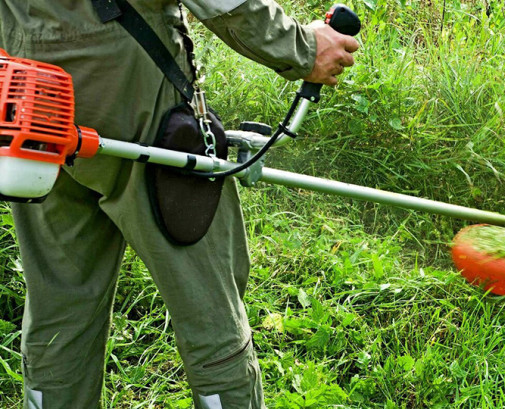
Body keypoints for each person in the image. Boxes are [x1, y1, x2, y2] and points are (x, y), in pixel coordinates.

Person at [0, 0, 359, 408]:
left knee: (60, 305)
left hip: (27, 90)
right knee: (207, 304)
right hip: (130, 85)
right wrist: (302, 48)